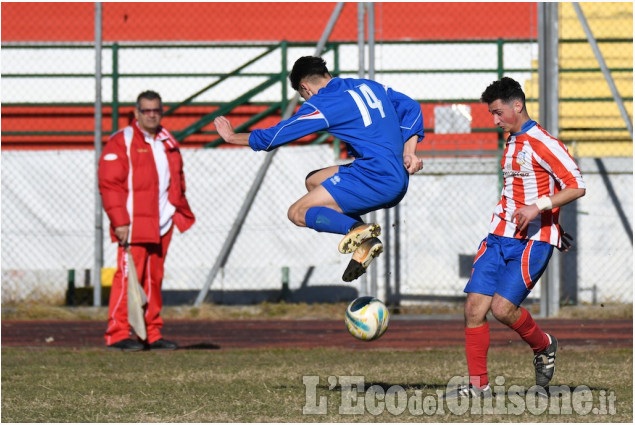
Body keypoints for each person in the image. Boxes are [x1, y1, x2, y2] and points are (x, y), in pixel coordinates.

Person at [214, 56, 424, 282]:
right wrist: (409, 151)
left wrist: (232, 137)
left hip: (375, 179)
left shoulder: (324, 102)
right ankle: (364, 238)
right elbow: (411, 107)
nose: (305, 100)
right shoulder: (367, 86)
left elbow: (276, 136)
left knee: (297, 213)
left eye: (303, 95)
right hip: (394, 175)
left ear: (305, 87)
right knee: (313, 181)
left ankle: (358, 231)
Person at [445, 77, 586, 399]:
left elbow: (576, 184)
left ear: (517, 106)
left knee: (503, 310)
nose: (495, 121)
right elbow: (521, 189)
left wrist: (542, 211)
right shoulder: (511, 141)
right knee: (473, 310)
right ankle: (478, 386)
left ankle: (544, 344)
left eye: (497, 113)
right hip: (498, 236)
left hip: (532, 241)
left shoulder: (543, 142)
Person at [98, 90, 195, 352]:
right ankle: (117, 333)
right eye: (147, 111)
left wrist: (177, 210)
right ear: (136, 113)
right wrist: (120, 221)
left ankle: (151, 332)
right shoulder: (122, 141)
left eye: (157, 110)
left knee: (154, 279)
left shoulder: (167, 140)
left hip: (163, 222)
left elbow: (177, 179)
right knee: (127, 278)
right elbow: (109, 185)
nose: (152, 115)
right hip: (133, 223)